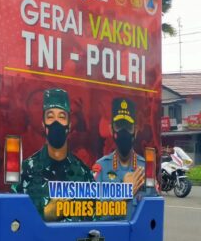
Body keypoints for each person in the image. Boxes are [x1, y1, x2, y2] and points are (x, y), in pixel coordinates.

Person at [12, 88, 93, 221]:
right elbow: (14, 220)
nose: (56, 123)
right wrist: (45, 215)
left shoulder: (84, 173)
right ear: (43, 124)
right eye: (50, 116)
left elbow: (93, 222)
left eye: (62, 117)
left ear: (69, 124)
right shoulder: (26, 171)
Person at [93, 98, 148, 217]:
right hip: (110, 234)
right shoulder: (100, 167)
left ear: (136, 131)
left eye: (128, 127)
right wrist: (123, 195)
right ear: (111, 129)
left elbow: (152, 211)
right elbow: (94, 213)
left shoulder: (146, 168)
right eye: (119, 126)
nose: (124, 132)